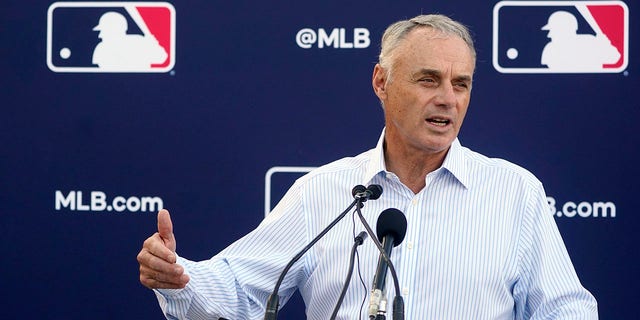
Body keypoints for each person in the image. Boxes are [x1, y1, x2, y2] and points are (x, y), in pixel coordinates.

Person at [137, 14, 598, 319]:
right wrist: (180, 277)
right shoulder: (323, 191)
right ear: (382, 82)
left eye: (461, 84)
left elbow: (565, 309)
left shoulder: (515, 193)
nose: (447, 99)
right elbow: (240, 286)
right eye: (428, 79)